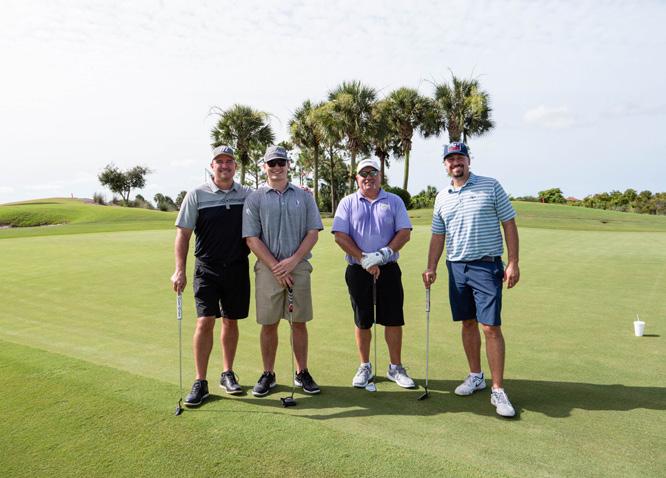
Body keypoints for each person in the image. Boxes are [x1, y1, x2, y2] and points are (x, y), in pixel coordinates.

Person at [422, 142, 520, 417]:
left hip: (486, 266)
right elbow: (438, 235)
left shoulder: (490, 186)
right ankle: (476, 375)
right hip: (456, 268)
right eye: (451, 159)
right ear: (445, 164)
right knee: (467, 322)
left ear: (468, 160)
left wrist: (513, 262)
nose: (456, 162)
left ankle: (498, 389)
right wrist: (431, 266)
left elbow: (509, 223)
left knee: (490, 327)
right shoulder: (442, 197)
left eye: (460, 157)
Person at [171, 145, 252, 407]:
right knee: (205, 321)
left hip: (237, 267)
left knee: (230, 321)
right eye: (220, 161)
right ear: (212, 166)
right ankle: (200, 381)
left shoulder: (248, 194)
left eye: (229, 161)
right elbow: (183, 233)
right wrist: (179, 269)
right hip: (206, 268)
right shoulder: (196, 194)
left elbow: (271, 200)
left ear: (235, 166)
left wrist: (303, 192)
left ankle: (227, 373)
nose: (224, 165)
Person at [242, 145, 324, 396]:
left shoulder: (304, 196)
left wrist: (292, 261)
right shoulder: (255, 198)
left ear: (288, 165)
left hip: (298, 267)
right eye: (272, 163)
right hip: (267, 269)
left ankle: (302, 372)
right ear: (264, 167)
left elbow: (313, 232)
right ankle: (268, 373)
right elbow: (251, 238)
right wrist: (277, 268)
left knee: (298, 322)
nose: (276, 167)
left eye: (281, 162)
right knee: (268, 324)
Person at [332, 158, 416, 390]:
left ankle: (395, 367)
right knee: (363, 320)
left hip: (388, 268)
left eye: (372, 172)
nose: (368, 177)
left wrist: (382, 255)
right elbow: (340, 236)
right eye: (363, 173)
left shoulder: (394, 201)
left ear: (380, 176)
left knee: (393, 319)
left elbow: (404, 232)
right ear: (357, 178)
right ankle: (365, 366)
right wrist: (364, 259)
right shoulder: (347, 202)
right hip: (358, 270)